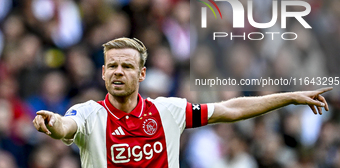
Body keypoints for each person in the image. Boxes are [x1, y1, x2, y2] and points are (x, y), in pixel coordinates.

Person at [32, 37, 332, 168]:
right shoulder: (88, 114)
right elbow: (64, 125)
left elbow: (230, 109)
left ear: (142, 73)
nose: (118, 72)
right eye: (112, 66)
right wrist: (53, 123)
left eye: (126, 66)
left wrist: (289, 97)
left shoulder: (168, 111)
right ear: (103, 72)